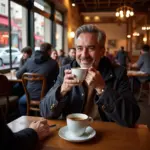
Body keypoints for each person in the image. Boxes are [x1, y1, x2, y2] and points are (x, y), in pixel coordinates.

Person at [40, 24, 140, 127]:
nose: (84, 55)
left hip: (106, 136)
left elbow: (131, 117)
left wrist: (102, 89)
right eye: (79, 48)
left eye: (91, 48)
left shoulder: (118, 73)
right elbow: (44, 112)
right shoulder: (66, 71)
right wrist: (62, 90)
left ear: (102, 51)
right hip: (72, 134)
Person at [16, 42, 59, 115]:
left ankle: (26, 121)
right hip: (46, 97)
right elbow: (58, 80)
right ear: (49, 51)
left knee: (21, 102)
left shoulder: (29, 61)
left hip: (29, 96)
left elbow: (18, 75)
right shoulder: (53, 63)